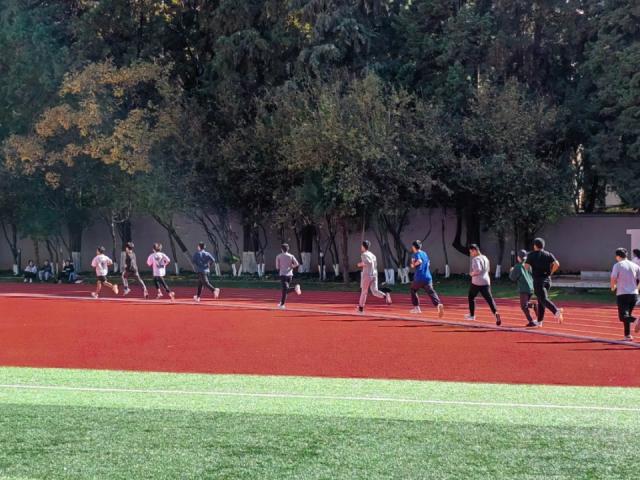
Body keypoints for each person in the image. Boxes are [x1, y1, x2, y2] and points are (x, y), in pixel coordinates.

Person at [525, 237, 563, 325]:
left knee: (543, 299)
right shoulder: (548, 254)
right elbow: (557, 264)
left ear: (535, 246)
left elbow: (526, 267)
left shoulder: (531, 255)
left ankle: (556, 311)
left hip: (538, 280)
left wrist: (530, 272)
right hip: (547, 280)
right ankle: (539, 321)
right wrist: (551, 272)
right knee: (541, 300)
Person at [465, 244, 501, 326]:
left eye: (471, 252)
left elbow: (478, 270)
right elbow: (488, 269)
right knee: (489, 299)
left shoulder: (475, 259)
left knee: (471, 296)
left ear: (474, 250)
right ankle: (496, 313)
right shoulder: (485, 257)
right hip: (486, 281)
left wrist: (472, 274)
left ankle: (472, 315)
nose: (471, 254)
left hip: (477, 282)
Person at [610, 248, 640, 341]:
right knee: (627, 315)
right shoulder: (635, 265)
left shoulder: (618, 265)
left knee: (623, 316)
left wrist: (613, 287)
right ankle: (627, 335)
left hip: (623, 293)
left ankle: (637, 321)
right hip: (634, 294)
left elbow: (613, 277)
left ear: (617, 256)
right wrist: (637, 289)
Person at [409, 240, 444, 317]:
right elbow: (428, 263)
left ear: (414, 247)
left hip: (419, 278)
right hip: (427, 277)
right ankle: (438, 304)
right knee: (431, 292)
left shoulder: (416, 254)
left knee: (413, 290)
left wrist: (413, 265)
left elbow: (419, 261)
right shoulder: (424, 253)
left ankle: (417, 308)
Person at [356, 240, 391, 314]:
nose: (361, 247)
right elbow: (374, 264)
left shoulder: (364, 254)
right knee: (374, 291)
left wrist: (359, 264)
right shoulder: (372, 255)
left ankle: (360, 308)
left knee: (364, 292)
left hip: (367, 275)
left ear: (363, 246)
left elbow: (367, 262)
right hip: (374, 274)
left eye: (361, 245)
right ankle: (385, 295)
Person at [509, 250, 538, 327]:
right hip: (531, 287)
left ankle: (531, 321)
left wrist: (511, 271)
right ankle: (533, 306)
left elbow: (512, 278)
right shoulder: (529, 265)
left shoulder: (518, 266)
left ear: (519, 257)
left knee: (523, 306)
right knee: (526, 304)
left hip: (524, 288)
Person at [275, 243, 302, 309]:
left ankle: (295, 288)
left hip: (283, 274)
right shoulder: (291, 256)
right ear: (288, 249)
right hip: (290, 275)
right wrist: (291, 267)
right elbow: (297, 264)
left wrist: (281, 266)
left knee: (285, 290)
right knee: (285, 290)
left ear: (281, 249)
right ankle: (282, 304)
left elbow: (277, 267)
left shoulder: (278, 256)